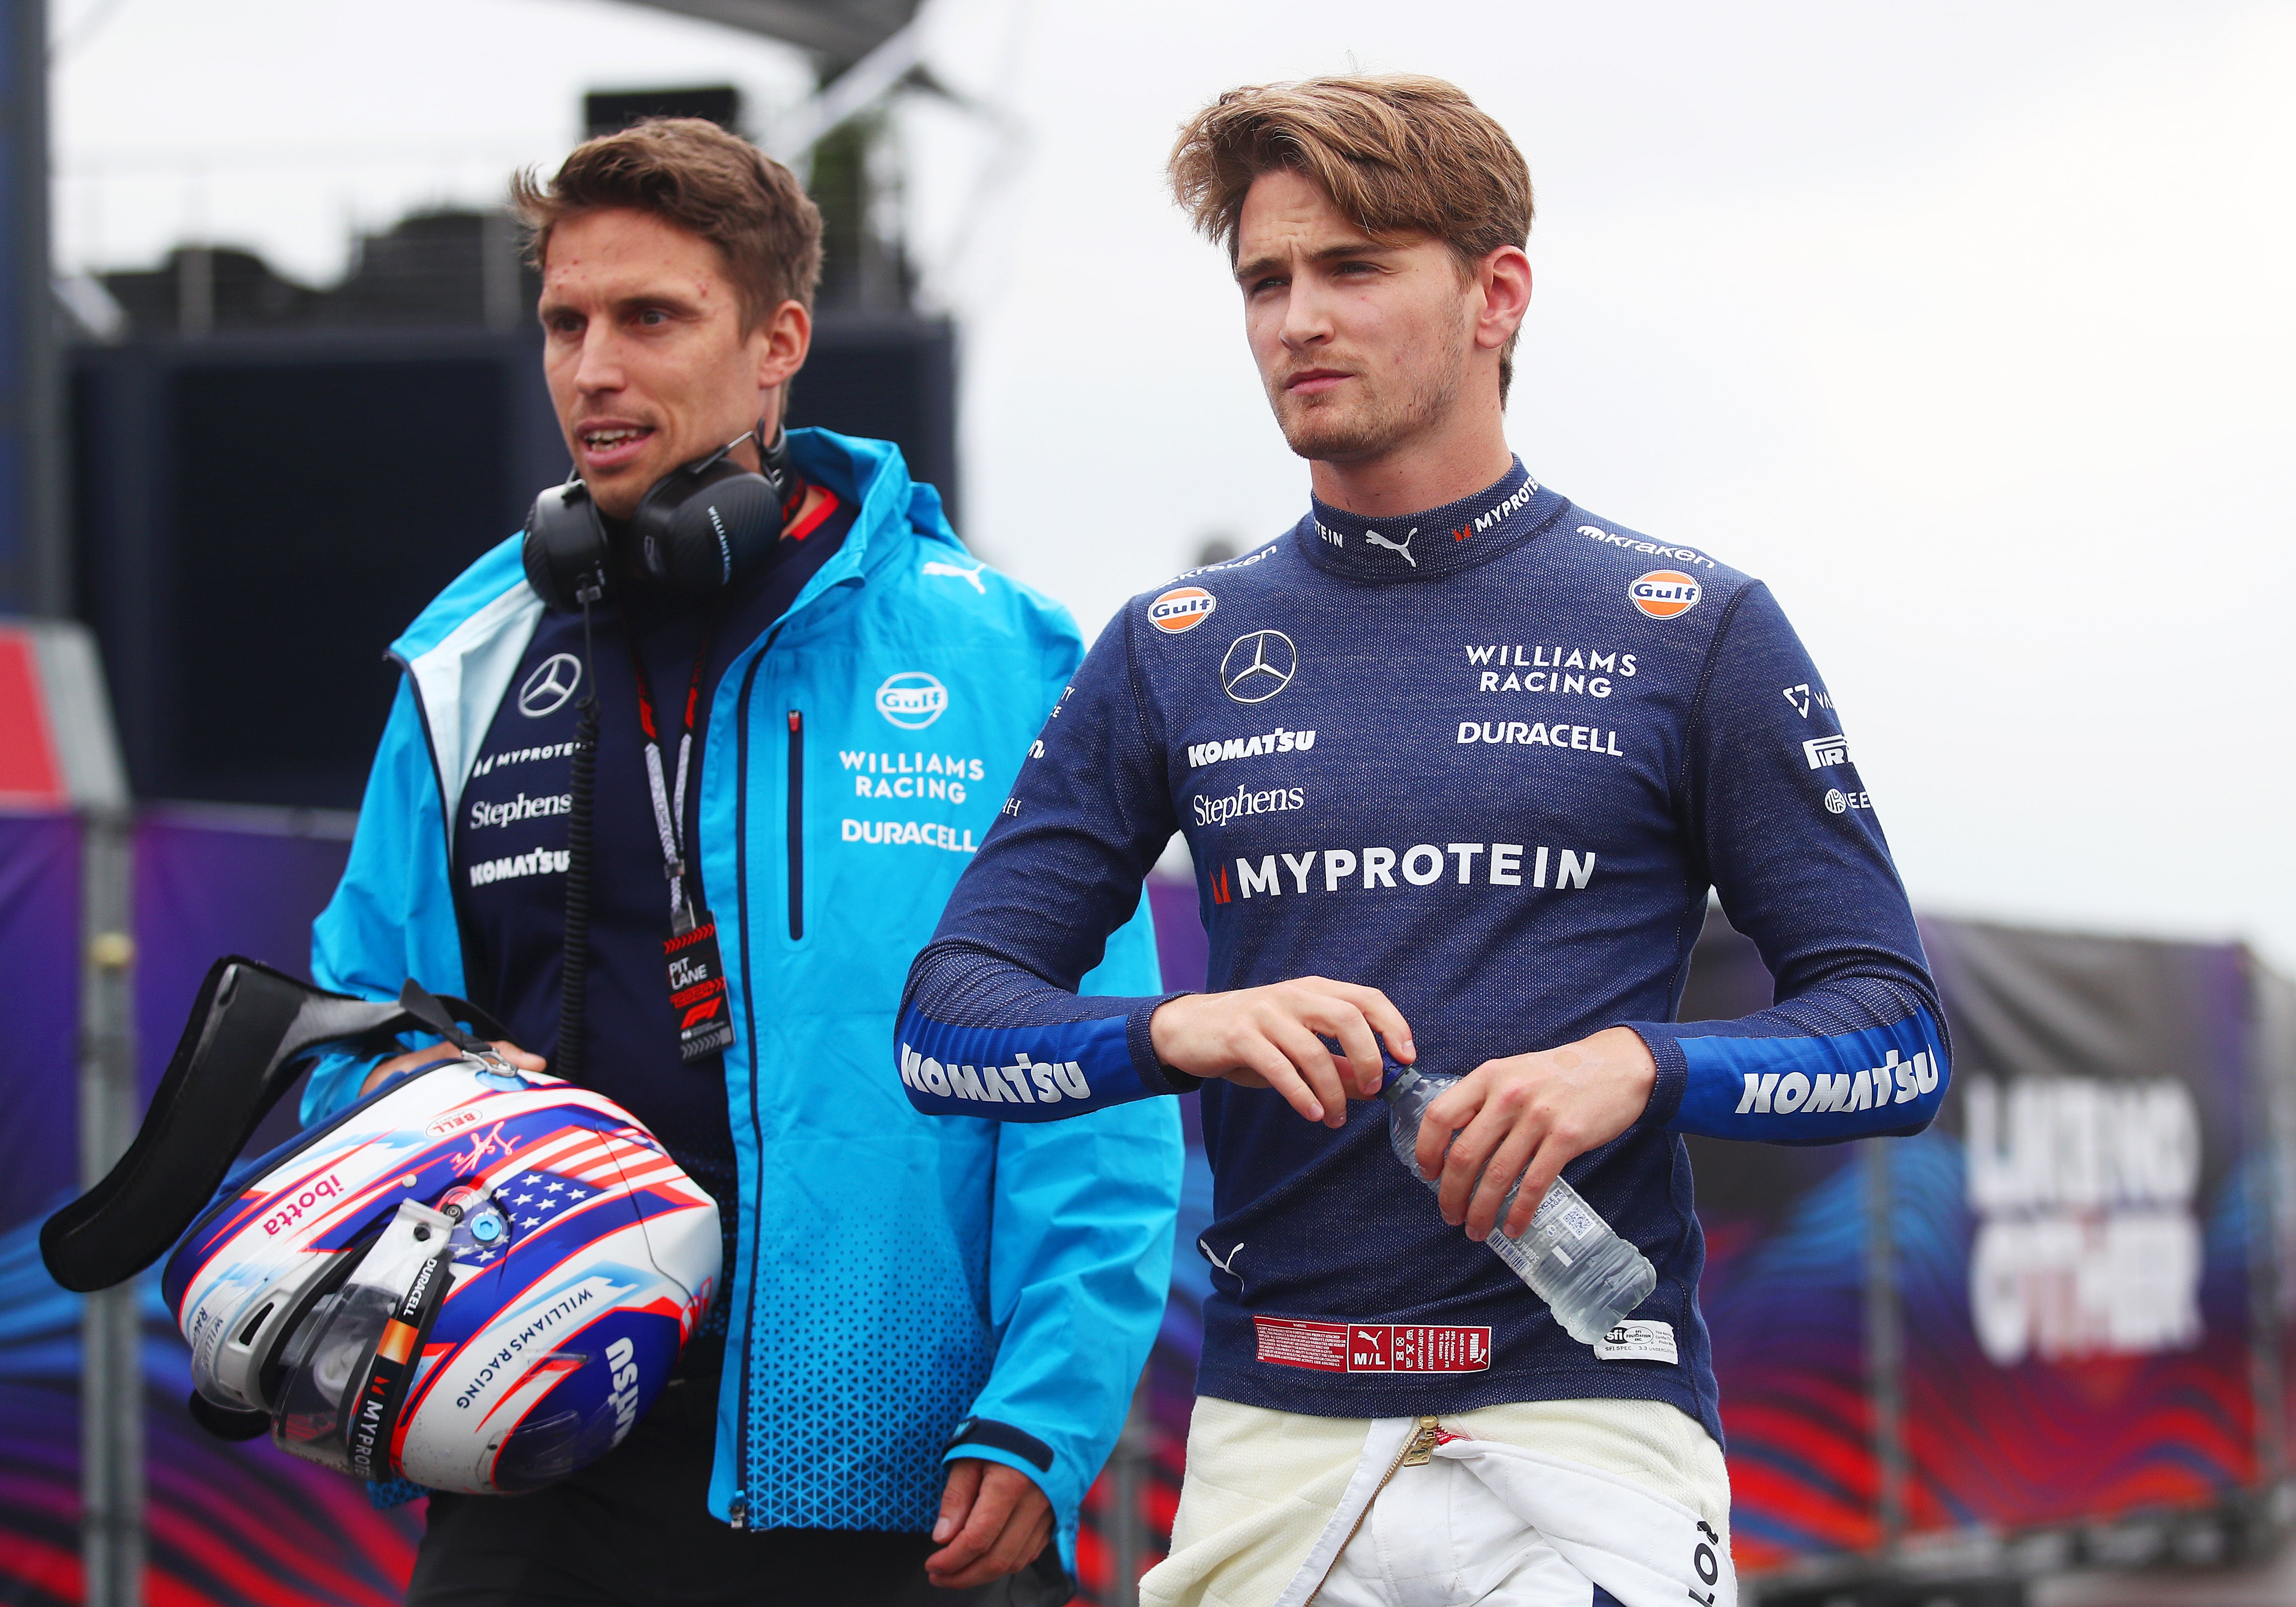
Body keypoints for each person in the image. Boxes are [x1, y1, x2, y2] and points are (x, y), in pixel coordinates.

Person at [896, 76, 1949, 1607]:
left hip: (1590, 1435)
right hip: (1276, 1445)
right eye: (1266, 280)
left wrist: (1643, 1063)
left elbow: (1896, 1036)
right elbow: (945, 1024)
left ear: (1494, 295)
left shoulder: (1692, 626)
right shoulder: (1176, 644)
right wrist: (1178, 1028)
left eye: (1354, 268)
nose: (1297, 320)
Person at [301, 117, 1181, 1607]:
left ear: (778, 340)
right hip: (538, 1456)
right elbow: (351, 1036)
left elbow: (1092, 1081)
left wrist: (1045, 1414)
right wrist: (426, 1090)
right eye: (566, 322)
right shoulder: (465, 665)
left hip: (899, 1466)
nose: (595, 367)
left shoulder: (999, 657)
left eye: (651, 318)